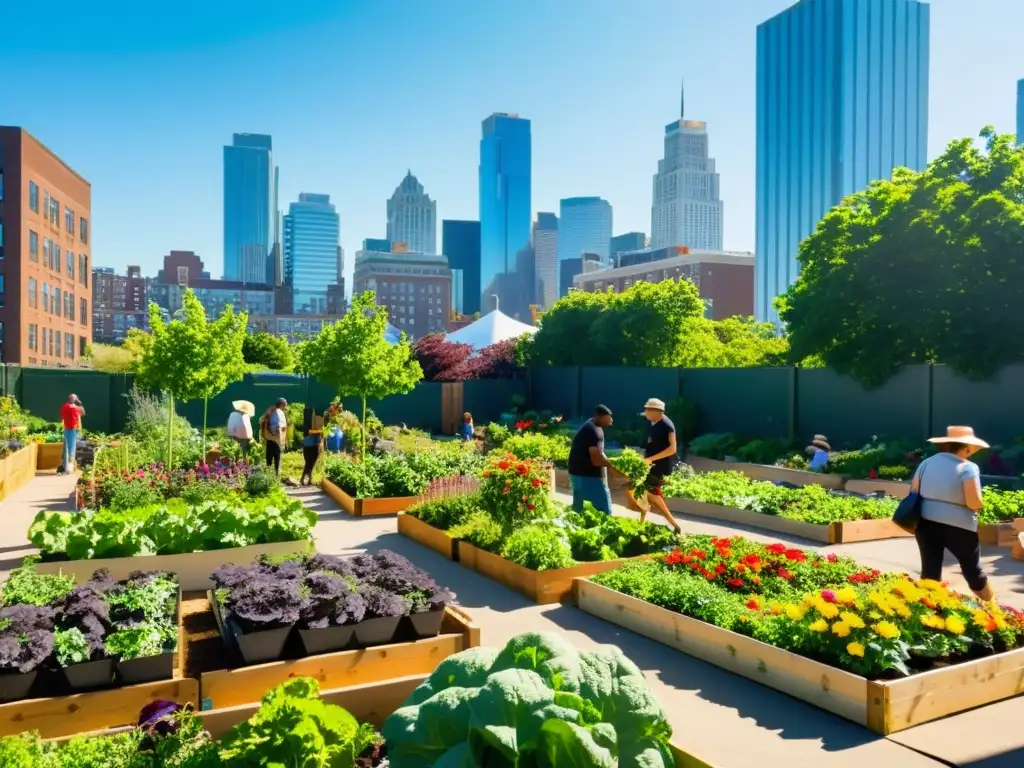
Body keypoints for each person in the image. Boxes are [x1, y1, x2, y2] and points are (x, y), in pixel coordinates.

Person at [910, 426, 995, 602]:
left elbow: (913, 491)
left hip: (925, 523)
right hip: (959, 526)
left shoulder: (926, 463)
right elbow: (973, 502)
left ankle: (928, 612)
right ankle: (994, 610)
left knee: (930, 572)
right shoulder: (968, 468)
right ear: (966, 447)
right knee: (973, 570)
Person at [640, 398, 683, 533]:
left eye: (648, 410)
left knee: (649, 493)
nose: (646, 413)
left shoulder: (667, 425)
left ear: (656, 411)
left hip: (659, 465)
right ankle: (641, 522)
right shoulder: (655, 423)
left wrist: (651, 459)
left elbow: (673, 449)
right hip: (651, 463)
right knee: (645, 492)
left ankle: (673, 523)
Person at [567, 405, 619, 515]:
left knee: (581, 511)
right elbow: (596, 459)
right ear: (599, 417)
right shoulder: (593, 431)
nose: (611, 420)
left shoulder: (593, 427)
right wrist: (612, 466)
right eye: (608, 417)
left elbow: (600, 453)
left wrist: (610, 465)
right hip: (586, 476)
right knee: (603, 512)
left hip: (580, 474)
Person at [58, 394, 85, 474]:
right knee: (71, 448)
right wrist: (79, 407)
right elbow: (81, 412)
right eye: (74, 399)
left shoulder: (67, 407)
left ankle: (68, 466)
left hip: (71, 429)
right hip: (71, 429)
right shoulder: (71, 407)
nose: (75, 400)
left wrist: (79, 407)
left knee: (69, 447)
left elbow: (82, 413)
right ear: (72, 399)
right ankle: (69, 467)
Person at [261, 398, 288, 475]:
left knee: (269, 460)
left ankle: (268, 476)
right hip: (276, 439)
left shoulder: (272, 412)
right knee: (277, 460)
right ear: (282, 404)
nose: (286, 406)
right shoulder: (279, 412)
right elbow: (279, 426)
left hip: (270, 439)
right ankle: (276, 478)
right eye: (286, 404)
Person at [300, 415, 324, 486]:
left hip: (306, 447)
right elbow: (319, 442)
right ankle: (302, 479)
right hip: (312, 448)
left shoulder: (309, 426)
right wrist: (320, 452)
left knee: (308, 464)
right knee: (309, 465)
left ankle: (309, 479)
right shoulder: (318, 431)